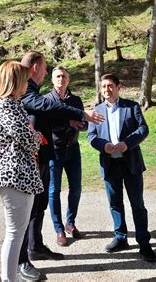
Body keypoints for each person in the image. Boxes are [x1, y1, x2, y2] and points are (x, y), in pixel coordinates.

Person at [18, 51, 105, 281]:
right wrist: (81, 114)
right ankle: (21, 261)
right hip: (32, 160)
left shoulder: (34, 91)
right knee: (25, 212)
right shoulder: (25, 90)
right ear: (35, 68)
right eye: (45, 68)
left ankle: (35, 246)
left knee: (39, 204)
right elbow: (47, 108)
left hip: (45, 156)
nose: (47, 73)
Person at [87, 73, 156, 263]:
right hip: (109, 164)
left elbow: (143, 129)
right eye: (103, 87)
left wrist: (127, 143)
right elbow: (91, 136)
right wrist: (104, 146)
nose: (106, 90)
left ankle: (144, 242)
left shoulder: (131, 106)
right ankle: (120, 237)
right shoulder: (97, 110)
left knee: (137, 204)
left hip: (131, 163)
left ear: (118, 88)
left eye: (110, 86)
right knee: (115, 203)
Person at [0, 61, 43, 282]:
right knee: (15, 233)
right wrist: (36, 137)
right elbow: (28, 139)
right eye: (25, 79)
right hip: (14, 175)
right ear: (14, 81)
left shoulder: (8, 106)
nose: (28, 83)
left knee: (16, 232)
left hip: (18, 175)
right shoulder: (7, 106)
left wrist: (34, 137)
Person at [44, 66, 87, 247]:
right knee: (54, 191)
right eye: (58, 76)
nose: (61, 79)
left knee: (76, 188)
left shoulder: (75, 100)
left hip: (73, 149)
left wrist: (81, 125)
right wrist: (68, 122)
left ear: (68, 80)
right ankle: (59, 229)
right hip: (54, 150)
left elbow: (85, 124)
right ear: (53, 80)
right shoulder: (46, 100)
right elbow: (46, 124)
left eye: (64, 76)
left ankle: (70, 223)